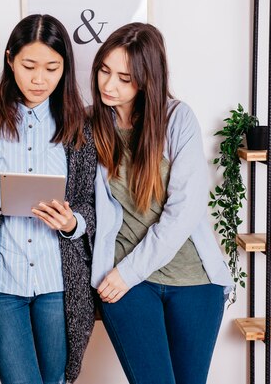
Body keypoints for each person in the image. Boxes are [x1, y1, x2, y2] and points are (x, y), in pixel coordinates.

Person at [0, 14, 96, 384]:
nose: (39, 79)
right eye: (29, 66)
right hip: (2, 284)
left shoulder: (81, 128)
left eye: (52, 68)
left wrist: (74, 223)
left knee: (56, 379)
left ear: (65, 69)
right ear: (10, 60)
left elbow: (94, 201)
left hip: (60, 283)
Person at [89, 22, 233, 384]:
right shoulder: (89, 125)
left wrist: (130, 270)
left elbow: (184, 211)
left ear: (146, 79)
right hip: (125, 281)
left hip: (194, 278)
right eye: (104, 70)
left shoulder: (176, 119)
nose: (109, 85)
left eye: (124, 77)